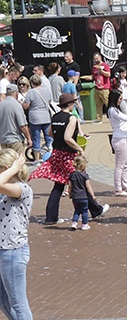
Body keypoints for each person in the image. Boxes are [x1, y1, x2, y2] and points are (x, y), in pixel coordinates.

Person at [0, 149, 38, 320]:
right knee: (4, 301)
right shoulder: (6, 189)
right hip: (3, 251)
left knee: (18, 302)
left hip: (14, 252)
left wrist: (14, 168)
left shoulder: (22, 189)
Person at [31, 93, 84, 225]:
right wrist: (79, 148)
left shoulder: (55, 117)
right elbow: (68, 138)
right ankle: (93, 210)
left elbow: (50, 133)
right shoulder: (71, 118)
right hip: (67, 155)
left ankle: (51, 217)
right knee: (79, 182)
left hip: (57, 153)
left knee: (59, 185)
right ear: (70, 104)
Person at [107, 90, 127, 196]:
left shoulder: (117, 109)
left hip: (125, 138)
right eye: (119, 98)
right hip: (119, 139)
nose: (121, 100)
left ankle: (125, 186)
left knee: (126, 164)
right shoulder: (112, 110)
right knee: (120, 165)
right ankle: (118, 189)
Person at [22, 75, 53, 157]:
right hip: (46, 116)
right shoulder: (47, 90)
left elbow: (26, 106)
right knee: (49, 137)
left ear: (32, 83)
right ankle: (51, 153)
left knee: (36, 138)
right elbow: (49, 102)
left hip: (35, 118)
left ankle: (36, 159)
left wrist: (21, 103)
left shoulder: (31, 92)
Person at [68, 155, 97, 230]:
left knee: (77, 210)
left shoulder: (72, 175)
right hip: (83, 197)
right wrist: (92, 195)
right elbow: (88, 186)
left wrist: (70, 193)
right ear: (82, 166)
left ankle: (74, 223)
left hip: (75, 197)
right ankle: (84, 224)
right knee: (84, 211)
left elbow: (70, 186)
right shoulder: (85, 175)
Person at [0, 84, 30, 155]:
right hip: (15, 139)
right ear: (16, 93)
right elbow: (22, 125)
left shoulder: (1, 104)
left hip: (3, 140)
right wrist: (28, 138)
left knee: (8, 163)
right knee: (18, 162)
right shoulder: (17, 105)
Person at [91, 53, 111, 123]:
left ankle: (113, 116)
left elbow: (108, 74)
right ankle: (99, 119)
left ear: (100, 58)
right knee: (98, 104)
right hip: (97, 87)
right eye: (95, 59)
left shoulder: (105, 65)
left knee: (108, 103)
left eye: (97, 58)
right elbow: (93, 76)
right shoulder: (94, 67)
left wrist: (101, 70)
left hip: (104, 88)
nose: (96, 60)